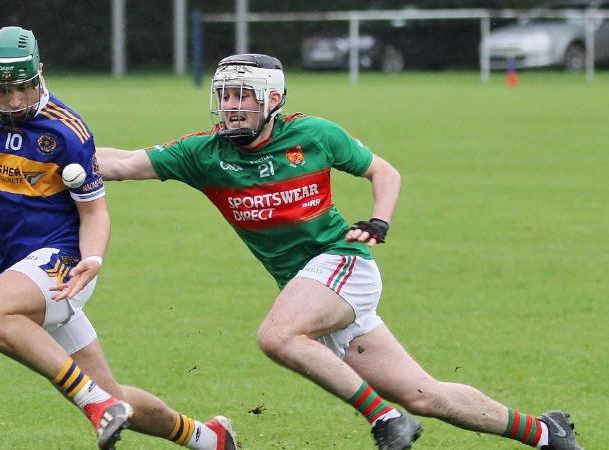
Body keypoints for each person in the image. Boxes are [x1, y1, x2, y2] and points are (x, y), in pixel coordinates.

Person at [96, 53, 584, 450]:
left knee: (278, 336)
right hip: (309, 287)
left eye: (243, 96)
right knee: (425, 395)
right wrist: (62, 145)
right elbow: (119, 164)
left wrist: (379, 221)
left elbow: (384, 172)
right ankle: (545, 433)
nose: (231, 107)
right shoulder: (204, 153)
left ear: (272, 100)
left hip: (343, 263)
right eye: (224, 96)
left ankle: (383, 419)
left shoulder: (314, 135)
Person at [0, 26, 238, 450]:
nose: (15, 100)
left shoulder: (68, 131)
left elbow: (94, 211)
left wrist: (93, 260)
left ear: (40, 73)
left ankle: (94, 406)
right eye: (2, 90)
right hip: (15, 267)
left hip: (61, 262)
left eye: (24, 87)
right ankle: (208, 439)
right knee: (117, 398)